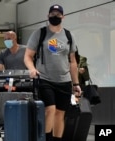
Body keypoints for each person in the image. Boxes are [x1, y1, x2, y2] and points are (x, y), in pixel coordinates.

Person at [24, 4, 81, 141]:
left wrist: (76, 83)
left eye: (58, 14)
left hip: (64, 80)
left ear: (63, 17)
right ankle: (46, 138)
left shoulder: (68, 35)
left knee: (60, 113)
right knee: (50, 110)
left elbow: (73, 62)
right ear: (47, 16)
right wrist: (32, 69)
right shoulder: (40, 33)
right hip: (45, 78)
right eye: (52, 14)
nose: (55, 16)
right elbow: (27, 56)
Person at [0, 31, 27, 141]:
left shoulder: (25, 50)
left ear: (15, 38)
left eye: (8, 38)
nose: (6, 41)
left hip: (25, 83)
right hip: (10, 84)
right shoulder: (3, 53)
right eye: (5, 39)